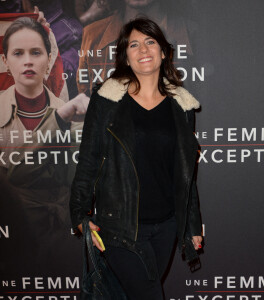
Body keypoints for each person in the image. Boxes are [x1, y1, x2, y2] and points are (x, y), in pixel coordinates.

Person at [70, 17, 202, 300]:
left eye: (150, 41)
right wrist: (80, 214)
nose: (143, 49)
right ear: (126, 57)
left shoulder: (182, 105)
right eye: (134, 44)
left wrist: (191, 226)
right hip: (120, 226)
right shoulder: (107, 101)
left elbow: (185, 173)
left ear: (164, 52)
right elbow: (89, 161)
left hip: (166, 226)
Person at [0, 17, 88, 271]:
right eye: (18, 53)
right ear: (6, 61)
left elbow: (76, 183)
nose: (28, 61)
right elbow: (16, 176)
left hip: (63, 242)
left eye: (36, 52)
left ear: (49, 60)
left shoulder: (69, 112)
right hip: (12, 243)